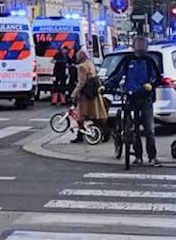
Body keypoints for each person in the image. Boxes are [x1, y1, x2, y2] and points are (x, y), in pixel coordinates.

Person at [104, 35, 163, 166]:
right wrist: (106, 86)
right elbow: (116, 75)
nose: (140, 47)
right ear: (134, 46)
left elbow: (158, 78)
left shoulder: (149, 61)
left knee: (149, 129)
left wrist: (151, 86)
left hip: (145, 97)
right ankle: (138, 156)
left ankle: (152, 156)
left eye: (142, 45)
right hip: (130, 97)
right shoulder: (127, 60)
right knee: (134, 128)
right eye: (138, 45)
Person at [70, 48, 108, 141]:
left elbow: (81, 83)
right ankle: (105, 132)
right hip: (94, 93)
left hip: (86, 95)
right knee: (95, 115)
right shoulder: (90, 63)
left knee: (82, 115)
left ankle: (80, 135)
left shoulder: (81, 67)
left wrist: (73, 94)